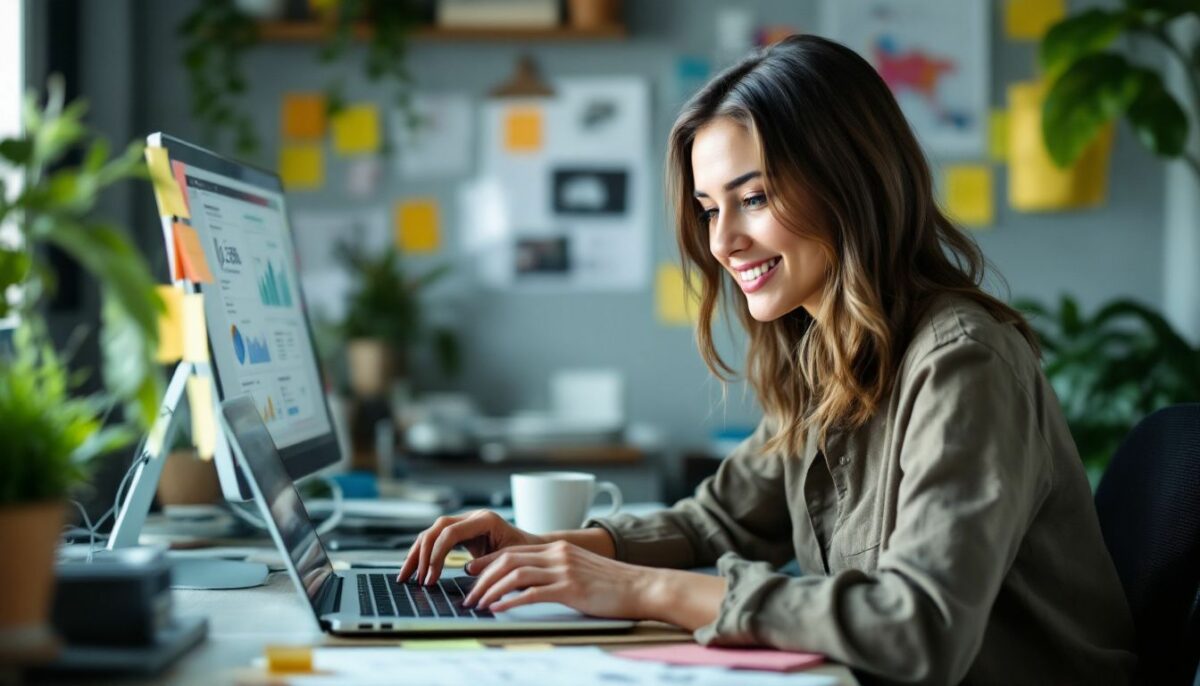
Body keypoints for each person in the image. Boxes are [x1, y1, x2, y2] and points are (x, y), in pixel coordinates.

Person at [397, 35, 1136, 685]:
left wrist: (642, 590)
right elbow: (718, 521)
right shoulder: (828, 351)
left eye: (752, 198)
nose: (721, 245)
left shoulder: (963, 364)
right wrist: (552, 550)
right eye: (711, 209)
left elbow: (921, 629)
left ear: (851, 181)